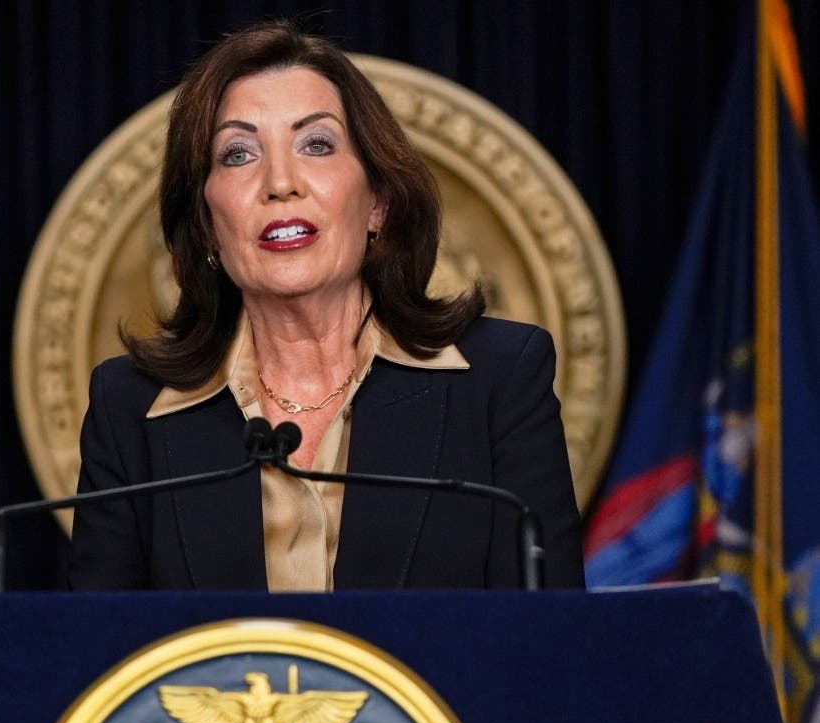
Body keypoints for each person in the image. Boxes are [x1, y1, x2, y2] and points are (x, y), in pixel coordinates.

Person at [68, 20, 584, 591]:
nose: (280, 182)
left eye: (316, 144)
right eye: (238, 153)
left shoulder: (500, 379)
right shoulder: (128, 409)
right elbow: (103, 665)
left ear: (378, 204)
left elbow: (549, 650)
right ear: (208, 227)